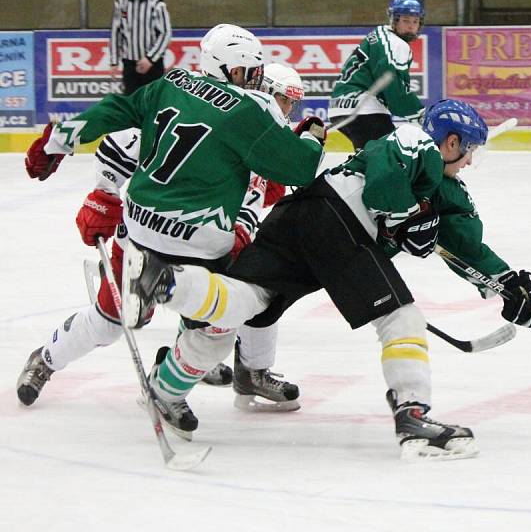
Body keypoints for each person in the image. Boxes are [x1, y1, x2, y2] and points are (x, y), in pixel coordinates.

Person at [122, 99, 531, 460]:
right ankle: (413, 418)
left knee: (240, 304)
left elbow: (466, 246)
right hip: (340, 221)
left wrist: (508, 285)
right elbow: (380, 188)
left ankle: (167, 292)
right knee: (402, 319)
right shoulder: (415, 141)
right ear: (450, 141)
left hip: (300, 216)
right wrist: (403, 218)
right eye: (468, 150)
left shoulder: (446, 189)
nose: (469, 160)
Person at [18, 24, 325, 436]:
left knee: (149, 320)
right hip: (195, 245)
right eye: (251, 73)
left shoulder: (171, 84)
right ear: (232, 70)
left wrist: (57, 141)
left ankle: (168, 374)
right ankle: (70, 363)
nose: (258, 83)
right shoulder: (249, 113)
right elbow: (300, 167)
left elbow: (115, 112)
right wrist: (312, 141)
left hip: (142, 231)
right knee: (201, 322)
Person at [328, 0, 426, 150]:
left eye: (415, 21)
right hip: (364, 110)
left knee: (367, 160)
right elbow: (394, 87)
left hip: (339, 107)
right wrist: (419, 113)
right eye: (406, 20)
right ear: (394, 20)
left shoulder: (379, 35)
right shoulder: (396, 44)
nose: (411, 26)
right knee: (389, 158)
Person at [110, 0, 172, 95]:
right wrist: (114, 61)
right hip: (130, 64)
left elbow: (165, 33)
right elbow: (117, 31)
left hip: (152, 64)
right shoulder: (122, 3)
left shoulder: (156, 3)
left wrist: (150, 58)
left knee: (153, 101)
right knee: (132, 103)